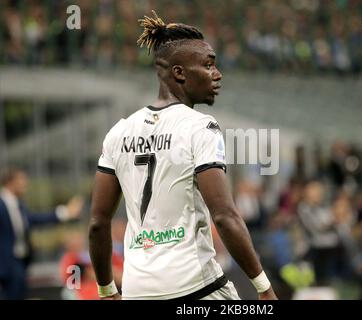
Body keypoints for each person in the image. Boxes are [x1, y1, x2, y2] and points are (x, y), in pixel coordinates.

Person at [88, 11, 277, 300]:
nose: (217, 73)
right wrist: (263, 287)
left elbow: (98, 223)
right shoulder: (199, 127)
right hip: (195, 286)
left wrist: (106, 289)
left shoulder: (119, 133)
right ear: (179, 73)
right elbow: (225, 216)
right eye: (209, 65)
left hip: (138, 291)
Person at [0, 168, 83, 299]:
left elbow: (36, 218)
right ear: (10, 182)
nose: (25, 183)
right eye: (21, 180)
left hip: (19, 264)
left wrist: (66, 212)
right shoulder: (2, 205)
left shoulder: (18, 206)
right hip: (5, 266)